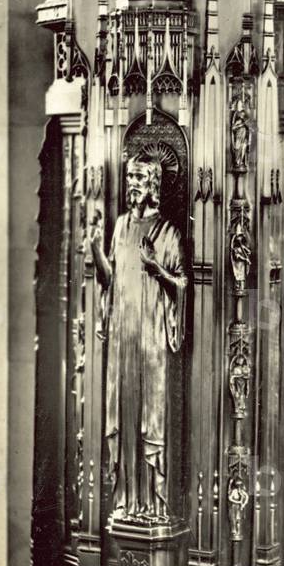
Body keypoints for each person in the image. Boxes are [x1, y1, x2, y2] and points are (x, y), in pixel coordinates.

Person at [90, 149, 187, 521]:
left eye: (139, 179)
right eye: (129, 178)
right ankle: (126, 503)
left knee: (150, 415)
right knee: (124, 413)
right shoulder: (120, 227)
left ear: (154, 186)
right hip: (123, 336)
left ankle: (152, 505)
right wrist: (96, 247)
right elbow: (109, 281)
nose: (132, 186)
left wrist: (155, 268)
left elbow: (182, 284)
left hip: (150, 339)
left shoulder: (169, 231)